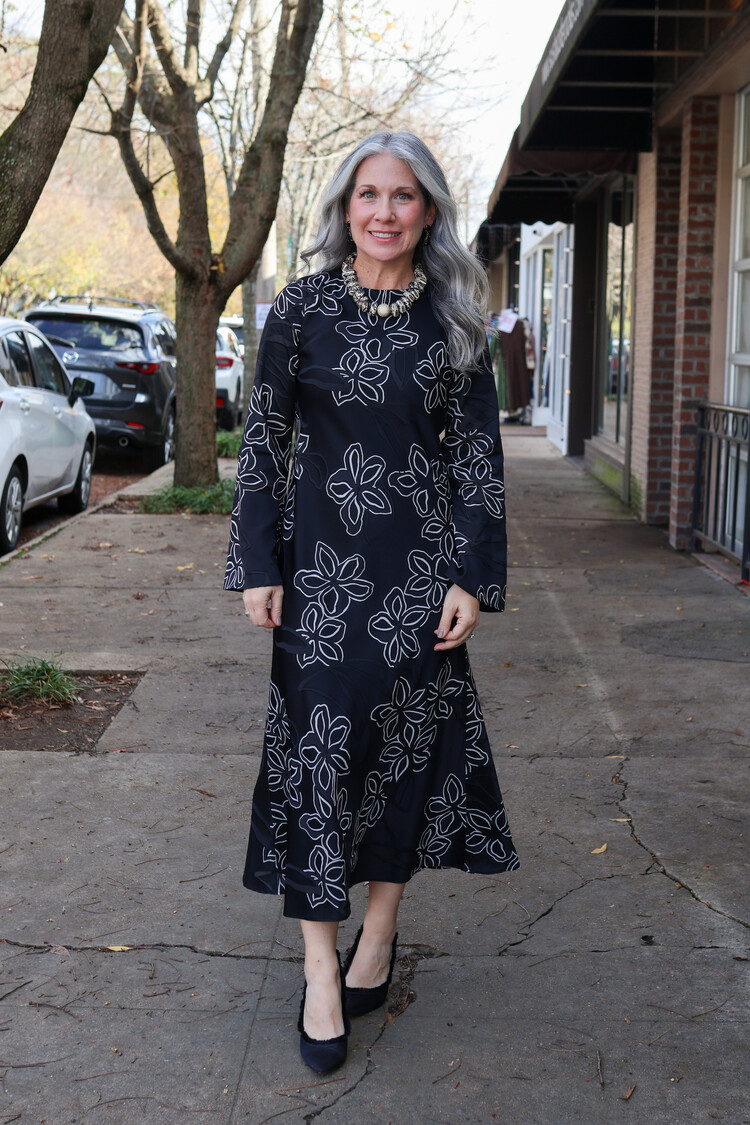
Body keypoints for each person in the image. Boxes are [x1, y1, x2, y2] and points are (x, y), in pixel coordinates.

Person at [224, 131, 519, 1073]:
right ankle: (320, 967)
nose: (383, 212)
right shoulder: (299, 309)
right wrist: (257, 564)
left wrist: (471, 576)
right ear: (344, 207)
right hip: (319, 580)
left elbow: (478, 460)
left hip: (419, 585)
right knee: (317, 760)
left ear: (428, 211)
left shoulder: (456, 320)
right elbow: (264, 443)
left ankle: (379, 933)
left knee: (404, 761)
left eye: (403, 196)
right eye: (368, 194)